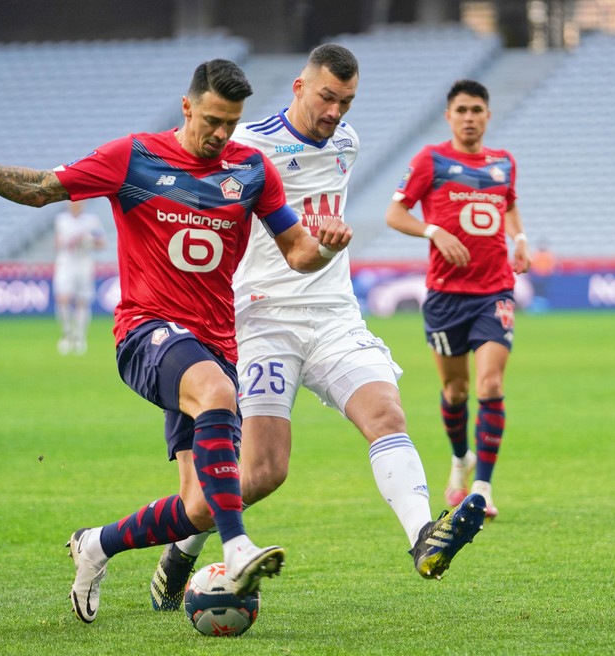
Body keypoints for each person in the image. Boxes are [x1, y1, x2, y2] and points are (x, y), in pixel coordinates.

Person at [0, 58, 352, 624]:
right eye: (213, 120)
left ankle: (96, 543)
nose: (221, 134)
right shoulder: (134, 157)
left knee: (198, 506)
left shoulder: (251, 168)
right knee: (218, 394)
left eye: (231, 123)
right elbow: (43, 190)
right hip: (147, 331)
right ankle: (239, 547)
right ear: (188, 106)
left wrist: (325, 247)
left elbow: (297, 250)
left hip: (215, 344)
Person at [148, 45, 487, 612]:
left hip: (333, 316)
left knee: (387, 414)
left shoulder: (347, 142)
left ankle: (424, 537)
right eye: (327, 97)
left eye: (347, 102)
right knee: (260, 473)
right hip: (261, 320)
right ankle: (184, 547)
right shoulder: (246, 145)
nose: (335, 112)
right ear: (299, 87)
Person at [385, 79, 530, 520]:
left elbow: (507, 205)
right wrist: (434, 230)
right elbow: (395, 213)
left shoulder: (504, 163)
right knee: (455, 389)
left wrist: (519, 237)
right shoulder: (431, 160)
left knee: (489, 385)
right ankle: (460, 458)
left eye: (477, 110)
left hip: (494, 292)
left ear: (488, 115)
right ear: (449, 116)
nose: (470, 118)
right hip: (446, 297)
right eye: (462, 110)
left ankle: (482, 487)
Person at [53, 200, 107, 355]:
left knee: (82, 301)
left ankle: (80, 337)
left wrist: (89, 241)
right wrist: (68, 242)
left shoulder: (91, 221)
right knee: (63, 298)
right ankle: (67, 333)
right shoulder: (61, 219)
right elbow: (57, 242)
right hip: (66, 263)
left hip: (84, 264)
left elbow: (102, 243)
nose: (75, 205)